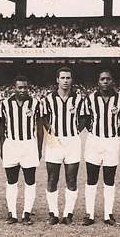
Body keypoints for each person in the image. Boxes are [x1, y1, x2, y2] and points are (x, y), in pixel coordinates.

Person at [41, 67, 86, 225]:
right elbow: (44, 119)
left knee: (71, 179)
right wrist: (53, 133)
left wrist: (73, 132)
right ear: (57, 80)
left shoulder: (79, 99)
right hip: (54, 142)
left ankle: (68, 214)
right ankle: (53, 213)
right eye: (63, 78)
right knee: (52, 178)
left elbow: (83, 119)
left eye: (68, 77)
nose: (65, 80)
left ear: (71, 80)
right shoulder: (48, 99)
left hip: (72, 141)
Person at [83, 70, 120, 227]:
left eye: (108, 78)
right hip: (94, 140)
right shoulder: (90, 99)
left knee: (109, 178)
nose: (106, 81)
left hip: (112, 141)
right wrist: (97, 134)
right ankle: (90, 214)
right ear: (98, 82)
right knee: (91, 178)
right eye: (102, 79)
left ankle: (109, 214)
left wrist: (113, 134)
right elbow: (87, 121)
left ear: (112, 81)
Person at [0, 75, 44, 225]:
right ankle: (12, 213)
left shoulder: (36, 104)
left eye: (25, 87)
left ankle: (26, 214)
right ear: (14, 88)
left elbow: (40, 128)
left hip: (28, 144)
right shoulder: (5, 104)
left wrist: (38, 148)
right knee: (11, 181)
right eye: (20, 87)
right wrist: (1, 146)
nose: (23, 90)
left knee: (30, 180)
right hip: (11, 144)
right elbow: (1, 127)